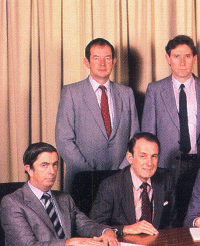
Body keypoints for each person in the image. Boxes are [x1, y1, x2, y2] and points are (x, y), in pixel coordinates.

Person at [1, 142, 119, 246]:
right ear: (29, 169)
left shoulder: (64, 198)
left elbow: (85, 225)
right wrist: (69, 243)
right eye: (44, 165)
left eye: (55, 165)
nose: (52, 171)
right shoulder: (13, 203)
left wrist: (106, 231)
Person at [142, 35, 200, 227]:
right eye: (176, 56)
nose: (182, 62)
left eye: (187, 56)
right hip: (167, 166)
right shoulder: (155, 90)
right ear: (168, 58)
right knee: (171, 220)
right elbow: (147, 135)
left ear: (194, 58)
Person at [56, 38, 139, 192]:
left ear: (114, 62)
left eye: (107, 58)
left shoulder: (126, 93)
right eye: (96, 58)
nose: (102, 63)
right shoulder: (71, 92)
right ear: (87, 62)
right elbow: (64, 140)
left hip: (119, 179)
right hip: (82, 179)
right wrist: (89, 174)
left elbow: (134, 138)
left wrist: (119, 172)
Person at [90, 133, 176, 235]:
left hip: (158, 245)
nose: (149, 163)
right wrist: (126, 229)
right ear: (130, 157)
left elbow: (172, 221)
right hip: (124, 245)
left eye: (154, 156)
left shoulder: (166, 179)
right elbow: (95, 226)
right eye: (143, 156)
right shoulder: (111, 185)